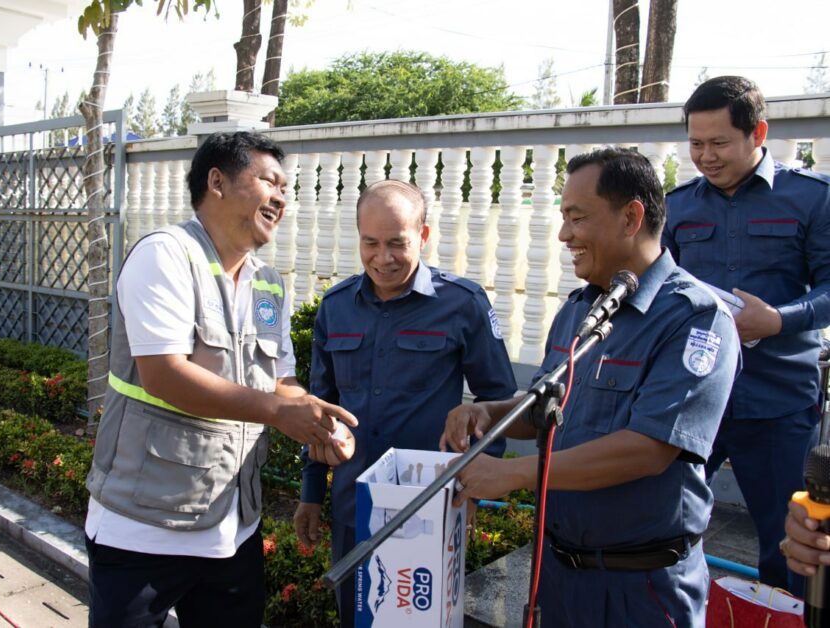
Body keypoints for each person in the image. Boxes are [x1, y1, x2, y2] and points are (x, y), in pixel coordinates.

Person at [444, 148, 740, 627]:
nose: (564, 235)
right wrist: (491, 413)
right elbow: (546, 409)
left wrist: (515, 473)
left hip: (641, 586)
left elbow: (649, 449)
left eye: (577, 218)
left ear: (631, 217)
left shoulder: (696, 318)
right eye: (564, 218)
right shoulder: (578, 310)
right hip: (560, 576)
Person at [84, 131, 357, 628]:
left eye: (285, 188)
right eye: (269, 182)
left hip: (233, 527)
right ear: (217, 182)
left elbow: (282, 379)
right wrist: (279, 411)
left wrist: (315, 421)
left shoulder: (268, 283)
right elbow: (164, 375)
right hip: (145, 524)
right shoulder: (165, 255)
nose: (280, 198)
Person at [294, 180, 518, 628]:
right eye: (371, 243)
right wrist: (311, 492)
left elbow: (498, 402)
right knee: (357, 616)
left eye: (397, 243)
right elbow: (320, 410)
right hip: (354, 506)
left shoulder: (462, 304)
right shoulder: (336, 307)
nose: (383, 258)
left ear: (423, 235)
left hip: (430, 508)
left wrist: (474, 486)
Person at [663, 75, 830, 594]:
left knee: (790, 544)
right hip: (692, 396)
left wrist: (780, 319)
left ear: (758, 133)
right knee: (660, 520)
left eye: (718, 143)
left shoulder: (811, 199)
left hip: (777, 398)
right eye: (695, 144)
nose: (705, 157)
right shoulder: (679, 206)